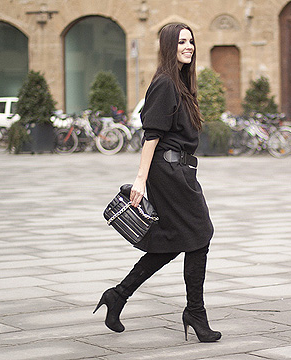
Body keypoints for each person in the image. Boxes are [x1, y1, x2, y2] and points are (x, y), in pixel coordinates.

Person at [94, 23, 221, 343]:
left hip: (178, 170)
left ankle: (118, 295)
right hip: (168, 172)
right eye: (181, 42)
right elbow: (151, 135)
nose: (188, 46)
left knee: (176, 241)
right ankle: (195, 311)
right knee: (201, 233)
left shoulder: (179, 81)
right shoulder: (165, 83)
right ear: (168, 46)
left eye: (191, 41)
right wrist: (139, 179)